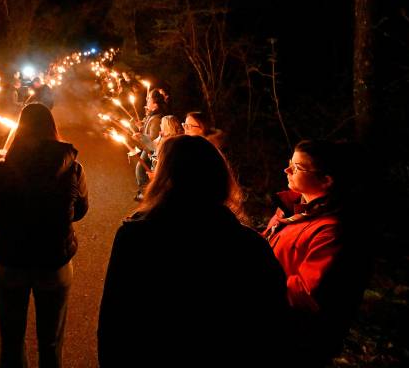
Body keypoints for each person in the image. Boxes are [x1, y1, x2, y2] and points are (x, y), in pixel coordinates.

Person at [98, 135, 289, 367]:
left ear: (164, 179)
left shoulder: (135, 236)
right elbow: (272, 323)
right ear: (220, 177)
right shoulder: (248, 245)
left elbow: (116, 319)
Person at [0, 103, 89, 368]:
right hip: (54, 260)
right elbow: (81, 210)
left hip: (10, 261)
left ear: (19, 130)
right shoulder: (72, 168)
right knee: (51, 342)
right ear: (52, 129)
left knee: (11, 339)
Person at [263, 140, 373, 367]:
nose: (287, 170)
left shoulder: (331, 230)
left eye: (298, 167)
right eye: (289, 163)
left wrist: (255, 285)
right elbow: (267, 244)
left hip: (295, 337)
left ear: (327, 180)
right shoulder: (291, 207)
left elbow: (306, 292)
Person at [133, 88, 169, 201]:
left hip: (151, 150)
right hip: (147, 147)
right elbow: (147, 130)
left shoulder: (157, 119)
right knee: (141, 169)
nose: (147, 102)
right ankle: (145, 192)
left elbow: (153, 140)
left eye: (149, 100)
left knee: (141, 169)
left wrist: (140, 137)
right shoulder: (152, 115)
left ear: (155, 104)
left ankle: (146, 194)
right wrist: (141, 127)